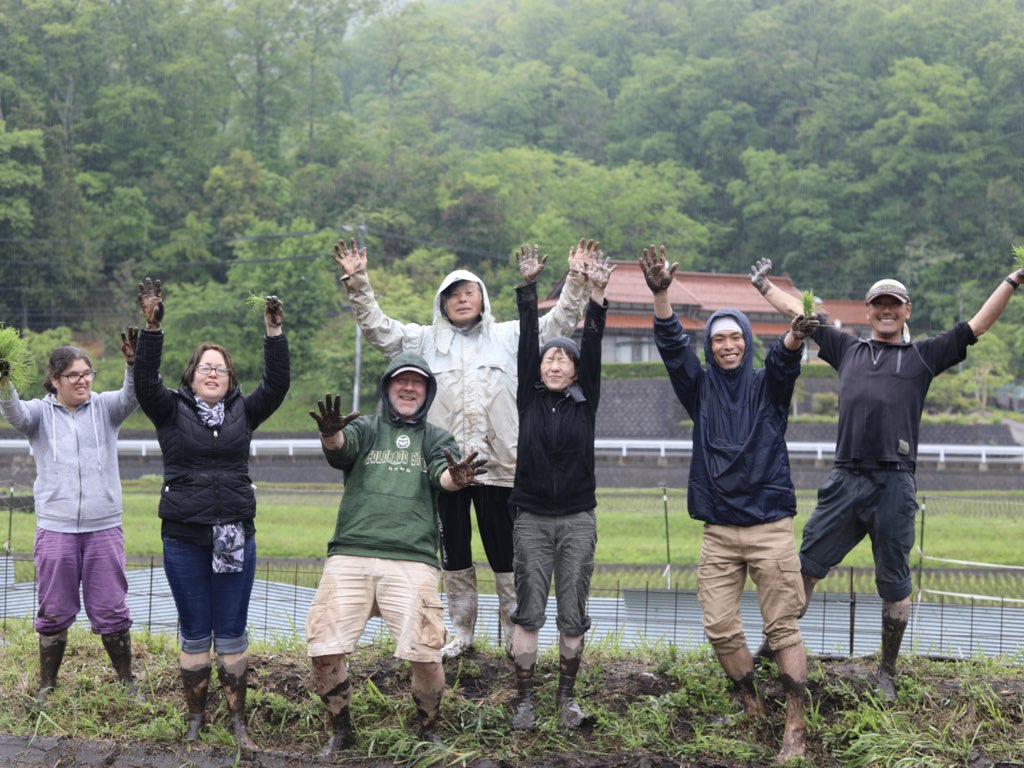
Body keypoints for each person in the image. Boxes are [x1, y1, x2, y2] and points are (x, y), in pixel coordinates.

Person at [750, 257, 1024, 700]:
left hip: (895, 485)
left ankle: (887, 672)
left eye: (894, 304)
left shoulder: (923, 356)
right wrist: (763, 286)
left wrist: (1012, 280)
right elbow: (801, 317)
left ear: (906, 311)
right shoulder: (848, 349)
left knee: (894, 582)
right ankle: (771, 648)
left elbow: (977, 326)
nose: (886, 310)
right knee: (806, 568)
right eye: (879, 304)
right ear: (867, 310)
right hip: (845, 480)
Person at [332, 238, 593, 659]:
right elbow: (377, 328)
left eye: (468, 292)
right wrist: (357, 281)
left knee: (506, 556)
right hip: (446, 468)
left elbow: (560, 323)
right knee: (453, 553)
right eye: (452, 295)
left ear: (483, 298)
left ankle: (513, 633)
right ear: (441, 303)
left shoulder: (510, 336)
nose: (461, 300)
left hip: (502, 465)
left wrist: (578, 280)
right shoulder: (423, 341)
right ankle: (463, 633)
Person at [641, 245, 813, 762]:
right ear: (711, 347)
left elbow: (785, 359)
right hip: (718, 530)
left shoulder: (768, 389)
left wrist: (797, 332)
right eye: (719, 339)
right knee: (718, 625)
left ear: (748, 341)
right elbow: (674, 348)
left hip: (768, 526)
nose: (728, 346)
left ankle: (796, 727)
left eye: (736, 336)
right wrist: (661, 293)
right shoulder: (699, 390)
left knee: (782, 626)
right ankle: (752, 705)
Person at [133, 278, 290, 747]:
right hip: (183, 536)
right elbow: (144, 381)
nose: (213, 372)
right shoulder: (169, 410)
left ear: (230, 377)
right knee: (195, 628)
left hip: (234, 534)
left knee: (233, 629)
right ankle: (196, 718)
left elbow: (278, 384)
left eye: (220, 367)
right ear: (191, 375)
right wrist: (151, 331)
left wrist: (274, 334)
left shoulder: (245, 411)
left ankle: (238, 720)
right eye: (205, 366)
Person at [305, 355, 486, 755]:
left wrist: (455, 480)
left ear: (427, 393)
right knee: (324, 650)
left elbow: (442, 473)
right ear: (387, 388)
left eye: (417, 383)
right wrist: (331, 436)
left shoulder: (437, 438)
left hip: (413, 558)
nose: (408, 388)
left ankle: (427, 730)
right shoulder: (365, 428)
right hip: (351, 552)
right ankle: (341, 732)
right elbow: (340, 450)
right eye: (400, 381)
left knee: (425, 653)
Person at [0, 332, 140, 703]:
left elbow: (133, 395)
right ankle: (48, 683)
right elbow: (12, 411)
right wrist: (4, 382)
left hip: (104, 527)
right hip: (56, 528)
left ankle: (127, 681)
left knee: (111, 608)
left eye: (87, 373)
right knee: (54, 609)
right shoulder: (39, 415)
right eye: (74, 375)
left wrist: (133, 364)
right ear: (55, 380)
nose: (83, 380)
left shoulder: (105, 409)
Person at [508, 244, 612, 731]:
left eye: (562, 359)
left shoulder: (584, 403)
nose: (552, 364)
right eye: (548, 358)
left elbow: (591, 342)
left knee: (573, 613)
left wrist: (598, 296)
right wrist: (528, 290)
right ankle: (524, 700)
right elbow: (529, 338)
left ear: (574, 370)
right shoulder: (527, 397)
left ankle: (566, 700)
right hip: (530, 515)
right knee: (528, 611)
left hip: (576, 517)